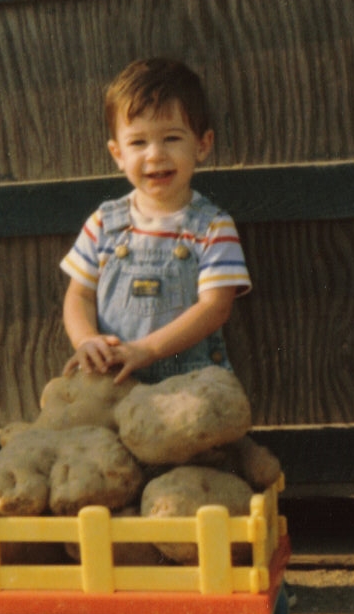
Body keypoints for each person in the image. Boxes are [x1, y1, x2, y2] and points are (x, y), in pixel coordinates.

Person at [62, 57, 251, 384]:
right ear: (118, 154)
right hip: (114, 382)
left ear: (203, 145)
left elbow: (215, 308)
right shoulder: (103, 225)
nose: (155, 154)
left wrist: (147, 350)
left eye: (172, 138)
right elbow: (79, 296)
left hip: (189, 385)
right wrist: (86, 340)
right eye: (138, 142)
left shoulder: (213, 228)